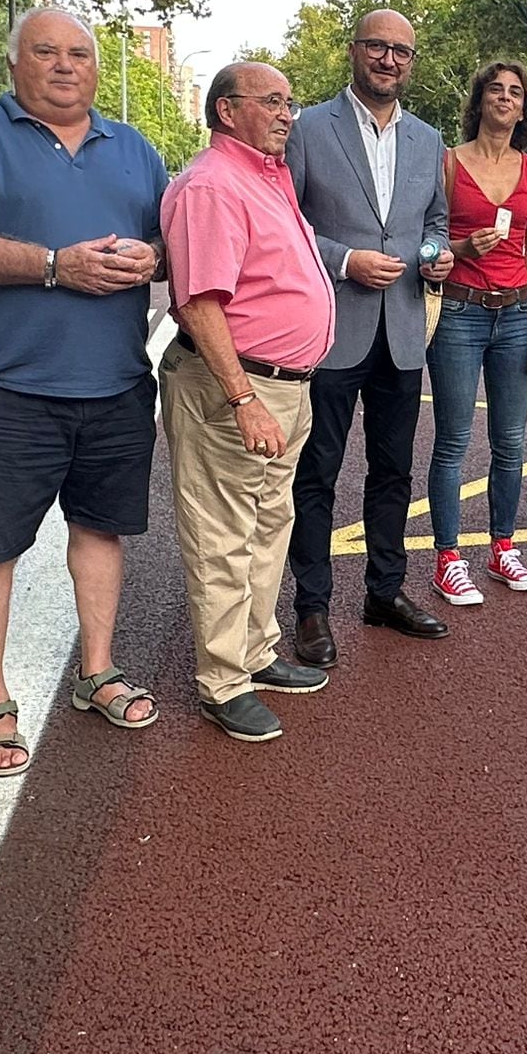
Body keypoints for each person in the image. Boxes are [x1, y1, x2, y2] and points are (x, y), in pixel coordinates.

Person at [0, 6, 167, 775]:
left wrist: (152, 259)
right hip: (12, 385)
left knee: (100, 531)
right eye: (47, 52)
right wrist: (56, 265)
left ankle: (97, 670)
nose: (66, 66)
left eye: (80, 54)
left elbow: (172, 239)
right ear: (15, 63)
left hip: (119, 382)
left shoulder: (134, 147)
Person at [161, 61, 336, 742]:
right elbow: (200, 302)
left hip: (284, 386)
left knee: (268, 525)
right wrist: (243, 398)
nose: (287, 113)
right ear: (226, 111)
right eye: (271, 102)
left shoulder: (266, 175)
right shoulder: (211, 184)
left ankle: (256, 652)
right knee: (223, 536)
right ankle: (222, 680)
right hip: (236, 386)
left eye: (290, 102)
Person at [284, 9, 455, 665]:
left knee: (392, 471)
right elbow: (290, 224)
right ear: (354, 51)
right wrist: (344, 260)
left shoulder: (427, 139)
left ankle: (385, 593)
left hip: (404, 329)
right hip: (333, 328)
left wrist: (436, 252)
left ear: (412, 62)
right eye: (378, 47)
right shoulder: (309, 129)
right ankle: (313, 609)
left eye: (401, 51)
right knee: (317, 472)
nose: (389, 60)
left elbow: (434, 222)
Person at [426, 60, 527, 604]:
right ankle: (448, 558)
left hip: (518, 315)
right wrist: (458, 249)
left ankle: (503, 547)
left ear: (526, 108)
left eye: (515, 92)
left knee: (512, 440)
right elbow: (426, 243)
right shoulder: (449, 165)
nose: (504, 98)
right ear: (478, 102)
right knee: (453, 441)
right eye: (494, 90)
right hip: (459, 311)